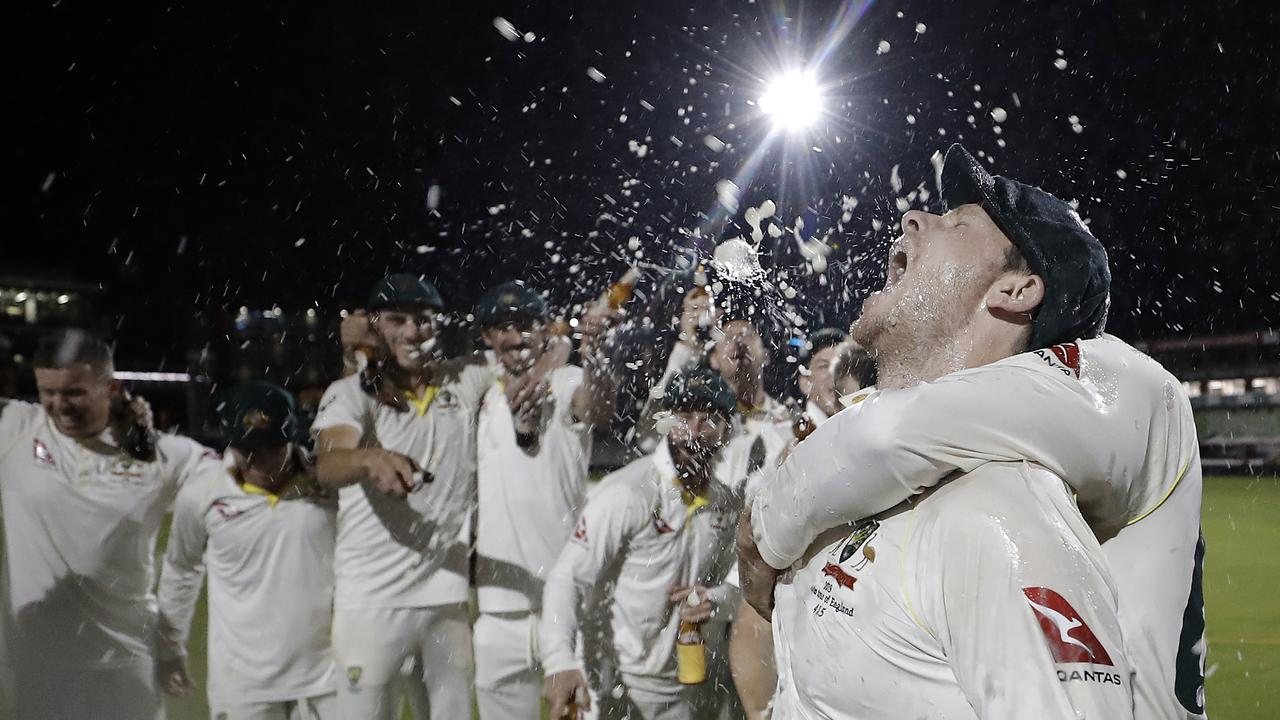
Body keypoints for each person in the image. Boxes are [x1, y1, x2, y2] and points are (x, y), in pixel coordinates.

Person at [745, 147, 1205, 719]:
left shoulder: (997, 514)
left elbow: (892, 435)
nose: (914, 218)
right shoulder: (849, 482)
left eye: (957, 223)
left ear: (1015, 290)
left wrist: (767, 524)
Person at [313, 273, 557, 720]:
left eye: (423, 320)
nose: (412, 332)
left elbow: (550, 347)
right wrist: (370, 459)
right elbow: (328, 463)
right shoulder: (352, 394)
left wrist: (540, 372)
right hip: (371, 603)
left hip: (446, 603)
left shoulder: (461, 380)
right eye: (397, 319)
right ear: (374, 324)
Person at [0, 328, 217, 719]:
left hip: (126, 660)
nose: (58, 405)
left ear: (111, 387)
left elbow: (237, 482)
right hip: (38, 665)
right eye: (47, 391)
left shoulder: (160, 454)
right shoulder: (14, 429)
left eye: (74, 392)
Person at [540, 367, 743, 720]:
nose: (693, 432)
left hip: (689, 685)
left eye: (709, 419)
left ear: (727, 431)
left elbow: (738, 588)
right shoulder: (628, 491)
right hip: (615, 684)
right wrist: (559, 661)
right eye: (682, 417)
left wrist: (714, 600)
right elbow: (567, 577)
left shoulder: (725, 504)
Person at [472, 281, 619, 720]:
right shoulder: (478, 390)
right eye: (503, 327)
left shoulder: (568, 379)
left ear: (543, 330)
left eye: (525, 326)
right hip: (500, 608)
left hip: (567, 604)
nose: (515, 337)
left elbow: (599, 406)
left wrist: (594, 352)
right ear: (486, 336)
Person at [157, 381, 338, 719]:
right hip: (242, 686)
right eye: (244, 447)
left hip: (329, 680)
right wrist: (169, 648)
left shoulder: (330, 486)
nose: (254, 459)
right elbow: (182, 568)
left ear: (291, 438)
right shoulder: (203, 491)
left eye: (268, 447)